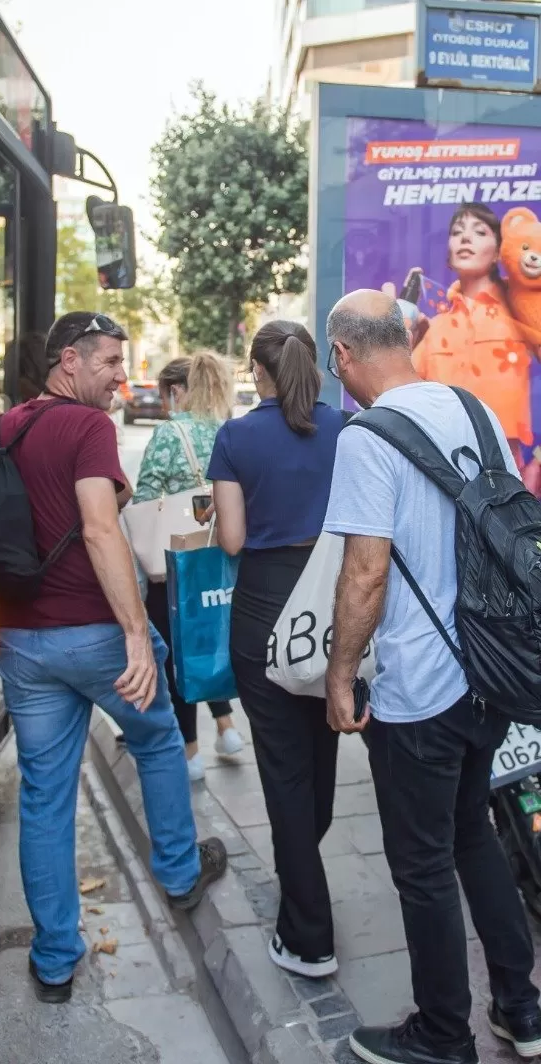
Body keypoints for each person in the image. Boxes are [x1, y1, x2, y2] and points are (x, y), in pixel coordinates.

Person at [323, 289, 541, 1064]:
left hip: (420, 688)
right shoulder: (474, 412)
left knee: (421, 867)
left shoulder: (366, 439)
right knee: (472, 836)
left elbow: (364, 576)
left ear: (343, 355)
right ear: (407, 337)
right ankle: (522, 1007)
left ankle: (444, 1036)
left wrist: (340, 675)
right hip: (490, 672)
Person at [0, 311, 227, 1004]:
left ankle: (56, 959)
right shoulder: (88, 428)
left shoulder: (6, 427)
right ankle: (179, 875)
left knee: (44, 795)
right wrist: (130, 632)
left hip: (26, 644)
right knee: (155, 741)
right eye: (110, 363)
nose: (123, 375)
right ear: (68, 361)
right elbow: (99, 526)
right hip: (94, 632)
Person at [207, 321, 344, 980]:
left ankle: (310, 937)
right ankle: (304, 886)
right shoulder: (347, 430)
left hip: (264, 608)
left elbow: (231, 541)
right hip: (335, 608)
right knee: (319, 761)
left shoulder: (236, 437)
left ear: (257, 372)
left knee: (284, 773)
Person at [133, 352, 243, 780]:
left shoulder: (169, 434)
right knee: (211, 636)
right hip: (219, 553)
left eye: (165, 395)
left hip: (175, 558)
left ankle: (192, 753)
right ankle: (227, 726)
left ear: (177, 391)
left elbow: (145, 496)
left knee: (176, 652)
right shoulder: (227, 429)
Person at [404, 204, 534, 465]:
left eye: (479, 232)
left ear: (499, 251)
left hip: (510, 474)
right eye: (457, 231)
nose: (465, 238)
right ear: (449, 254)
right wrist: (400, 323)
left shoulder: (523, 310)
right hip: (445, 472)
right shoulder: (434, 326)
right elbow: (399, 394)